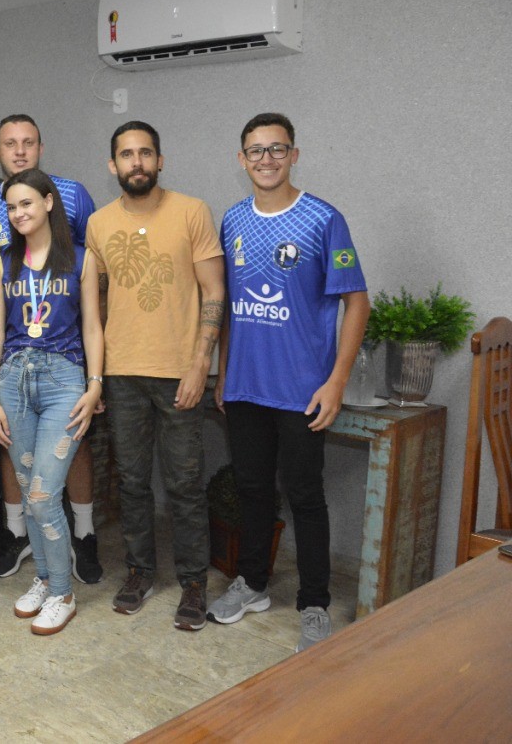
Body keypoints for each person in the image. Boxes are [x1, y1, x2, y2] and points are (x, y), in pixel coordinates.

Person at [210, 113, 369, 651]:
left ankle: (315, 603)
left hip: (303, 390)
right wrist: (224, 372)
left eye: (277, 149)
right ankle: (253, 584)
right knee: (253, 490)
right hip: (246, 386)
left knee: (305, 496)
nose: (267, 159)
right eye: (256, 151)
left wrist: (336, 381)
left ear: (294, 154)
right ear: (242, 160)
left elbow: (357, 301)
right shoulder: (232, 221)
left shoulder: (322, 219)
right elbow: (229, 307)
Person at [87, 120, 225, 631]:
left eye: (146, 153)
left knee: (186, 484)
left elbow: (214, 292)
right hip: (122, 373)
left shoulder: (192, 212)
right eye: (127, 154)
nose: (137, 162)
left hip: (178, 374)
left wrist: (200, 365)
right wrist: (96, 375)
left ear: (160, 160)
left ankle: (193, 582)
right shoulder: (99, 224)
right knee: (132, 483)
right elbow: (96, 304)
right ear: (113, 166)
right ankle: (140, 571)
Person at [0, 115, 102, 586]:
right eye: (12, 207)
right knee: (31, 487)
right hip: (12, 376)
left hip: (64, 373)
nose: (18, 212)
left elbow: (93, 323)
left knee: (46, 492)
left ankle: (67, 574)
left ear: (49, 203)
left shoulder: (80, 246)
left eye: (27, 203)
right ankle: (45, 576)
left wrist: (95, 382)